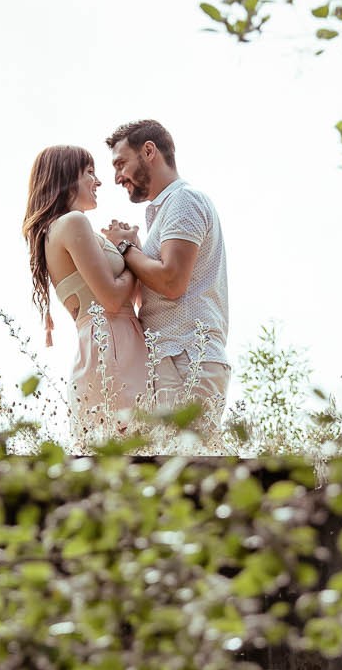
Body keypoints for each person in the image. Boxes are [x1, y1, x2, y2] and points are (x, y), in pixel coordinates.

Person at [101, 119, 230, 436]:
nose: (117, 177)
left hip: (186, 359)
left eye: (121, 164)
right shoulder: (165, 211)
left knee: (186, 460)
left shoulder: (185, 201)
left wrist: (125, 248)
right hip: (172, 359)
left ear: (149, 151)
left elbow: (171, 282)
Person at [22, 144, 149, 442]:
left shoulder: (58, 230)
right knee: (136, 445)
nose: (98, 181)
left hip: (111, 342)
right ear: (66, 177)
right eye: (90, 172)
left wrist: (129, 246)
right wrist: (127, 249)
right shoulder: (72, 222)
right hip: (113, 343)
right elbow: (113, 299)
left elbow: (135, 298)